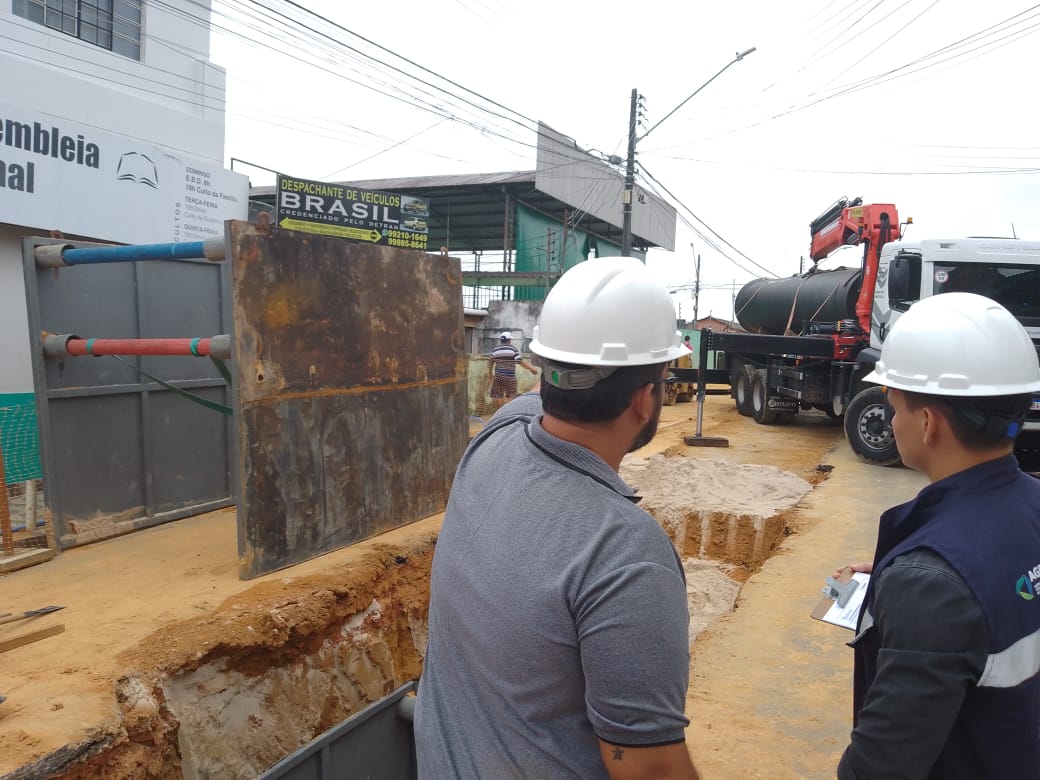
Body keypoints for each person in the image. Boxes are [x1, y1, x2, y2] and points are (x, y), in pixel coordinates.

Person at [415, 258, 700, 780]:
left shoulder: (498, 435)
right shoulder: (624, 553)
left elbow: (535, 399)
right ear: (644, 399)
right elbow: (651, 770)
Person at [836, 292, 1040, 779]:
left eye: (894, 404)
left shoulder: (932, 581)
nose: (890, 420)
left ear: (927, 422)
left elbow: (881, 767)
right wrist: (900, 581)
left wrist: (921, 580)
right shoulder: (1028, 503)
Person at [488, 331, 536, 410]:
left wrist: (490, 373)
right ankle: (508, 411)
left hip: (498, 376)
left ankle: (501, 412)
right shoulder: (512, 349)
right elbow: (519, 361)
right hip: (509, 377)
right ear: (509, 340)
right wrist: (531, 369)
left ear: (501, 340)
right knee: (511, 394)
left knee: (498, 394)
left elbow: (490, 363)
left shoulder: (495, 350)